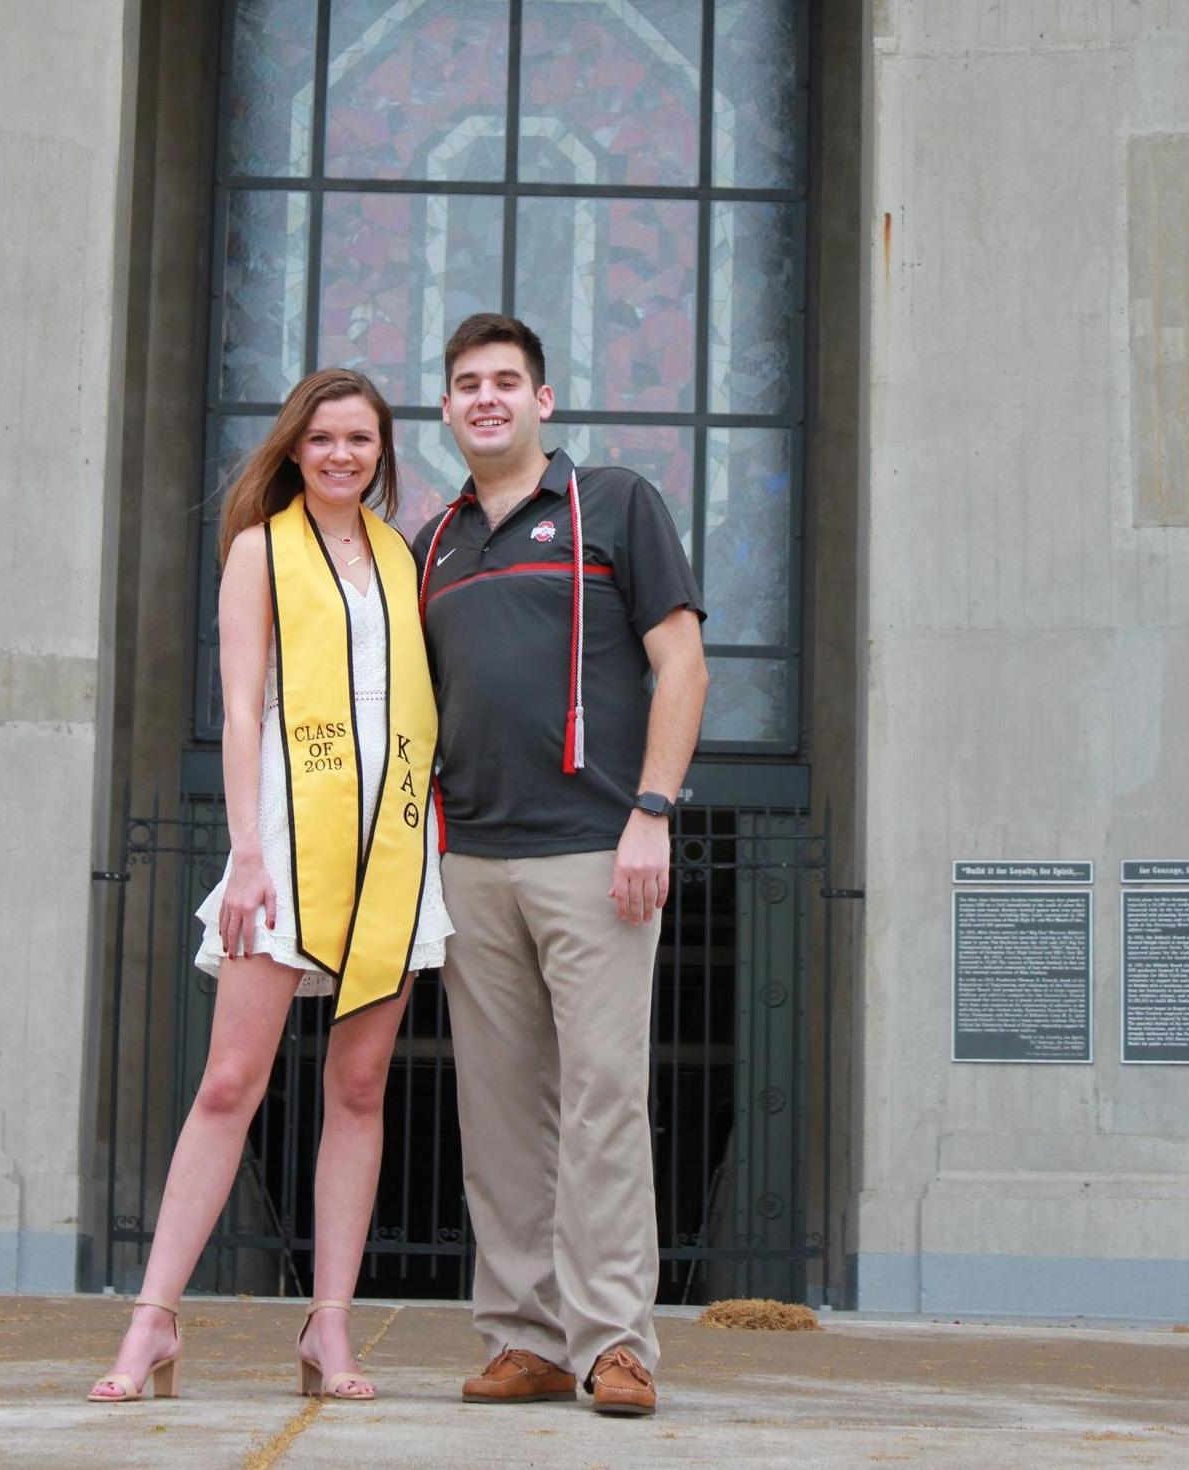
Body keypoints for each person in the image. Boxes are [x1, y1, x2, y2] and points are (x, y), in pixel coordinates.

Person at [88, 368, 451, 1404]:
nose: (343, 455)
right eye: (324, 438)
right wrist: (247, 851)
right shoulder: (260, 550)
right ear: (295, 448)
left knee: (359, 1087)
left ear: (383, 454)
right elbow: (242, 710)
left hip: (392, 848)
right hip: (289, 840)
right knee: (228, 1084)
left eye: (362, 440)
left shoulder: (400, 557)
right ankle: (153, 1320)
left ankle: (327, 1326)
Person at [413, 315, 708, 1417]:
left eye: (505, 382)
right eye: (464, 385)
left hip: (596, 850)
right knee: (497, 1114)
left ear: (545, 401)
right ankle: (526, 1338)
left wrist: (651, 812)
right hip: (472, 862)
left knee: (602, 1103)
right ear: (445, 411)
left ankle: (614, 1343)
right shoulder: (431, 543)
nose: (485, 398)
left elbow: (680, 660)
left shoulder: (616, 502)